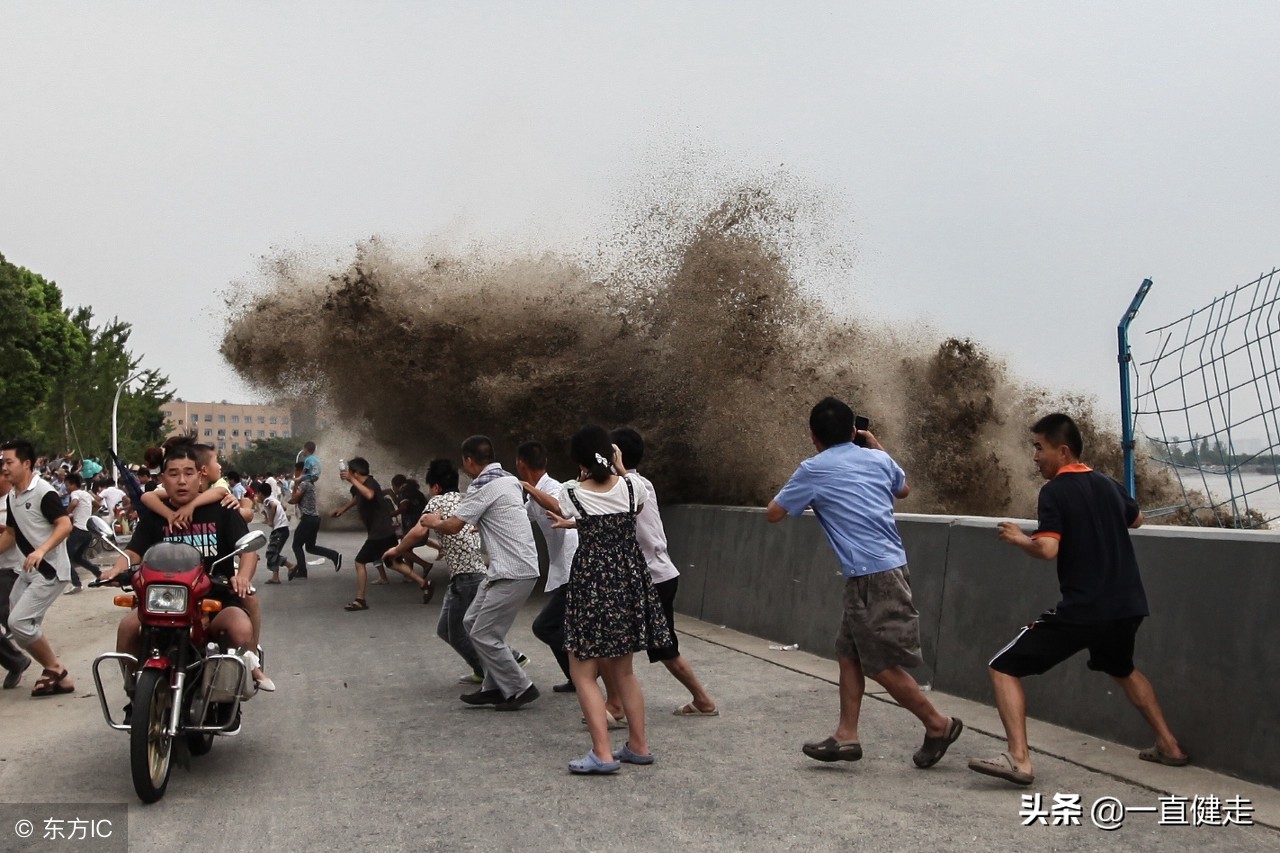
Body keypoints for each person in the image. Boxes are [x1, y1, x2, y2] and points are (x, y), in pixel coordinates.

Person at [970, 413, 1188, 786]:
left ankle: (1019, 760)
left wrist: (1019, 538)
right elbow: (1135, 520)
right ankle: (1169, 746)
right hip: (1127, 605)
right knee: (1121, 668)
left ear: (1063, 450)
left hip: (1085, 608)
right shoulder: (1107, 483)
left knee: (1002, 667)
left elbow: (1048, 549)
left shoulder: (1054, 491)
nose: (1035, 457)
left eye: (1040, 448)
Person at [767, 397, 962, 769]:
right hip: (885, 570)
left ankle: (939, 724)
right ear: (855, 431)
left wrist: (814, 495)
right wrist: (873, 445)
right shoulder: (878, 459)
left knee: (880, 665)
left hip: (871, 576)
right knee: (849, 653)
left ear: (813, 436)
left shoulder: (813, 468)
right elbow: (902, 489)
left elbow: (774, 513)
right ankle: (846, 736)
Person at [523, 425, 672, 774]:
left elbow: (575, 508)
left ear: (578, 460)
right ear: (612, 453)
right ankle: (638, 745)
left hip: (592, 582)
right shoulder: (635, 488)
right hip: (628, 580)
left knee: (584, 671)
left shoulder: (573, 492)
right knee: (624, 672)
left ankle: (602, 754)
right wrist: (620, 468)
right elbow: (618, 510)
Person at [99, 439, 267, 712]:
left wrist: (243, 577)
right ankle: (136, 689)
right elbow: (134, 551)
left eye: (188, 473)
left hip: (214, 600)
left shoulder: (223, 508)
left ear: (200, 475)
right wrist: (118, 567)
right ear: (162, 478)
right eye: (173, 474)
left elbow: (248, 551)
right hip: (163, 602)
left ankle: (230, 686)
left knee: (240, 627)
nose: (181, 481)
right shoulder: (154, 515)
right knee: (128, 628)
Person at [420, 436, 541, 711]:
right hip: (508, 568)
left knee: (485, 634)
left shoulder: (481, 487)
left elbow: (451, 526)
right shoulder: (508, 478)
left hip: (513, 571)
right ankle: (494, 686)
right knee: (471, 622)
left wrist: (431, 521)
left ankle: (520, 687)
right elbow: (500, 514)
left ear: (469, 461)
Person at [606, 426, 718, 717]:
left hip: (653, 578)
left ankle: (702, 700)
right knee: (625, 641)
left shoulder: (631, 486)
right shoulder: (640, 483)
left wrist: (616, 469)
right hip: (659, 575)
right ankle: (616, 703)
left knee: (660, 647)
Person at [0, 439, 76, 698]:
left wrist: (42, 550)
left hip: (51, 570)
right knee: (17, 620)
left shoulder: (44, 491)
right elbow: (10, 534)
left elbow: (65, 525)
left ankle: (55, 668)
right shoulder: (12, 496)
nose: (5, 468)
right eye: (3, 463)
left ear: (26, 463)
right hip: (30, 571)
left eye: (9, 462)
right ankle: (57, 676)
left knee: (18, 622)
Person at [519, 441, 580, 693]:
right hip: (563, 569)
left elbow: (557, 506)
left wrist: (527, 488)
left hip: (573, 568)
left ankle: (583, 670)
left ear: (521, 464)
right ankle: (577, 677)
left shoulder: (553, 487)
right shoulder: (534, 493)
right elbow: (520, 517)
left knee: (545, 626)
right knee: (559, 626)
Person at [332, 457, 428, 610]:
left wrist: (351, 480)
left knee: (359, 562)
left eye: (350, 471)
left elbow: (369, 494)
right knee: (393, 562)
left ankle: (360, 600)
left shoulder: (370, 483)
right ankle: (424, 583)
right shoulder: (362, 485)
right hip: (384, 530)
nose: (347, 473)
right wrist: (343, 508)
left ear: (356, 472)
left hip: (380, 532)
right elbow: (359, 497)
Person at [0, 466, 33, 689]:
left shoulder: (14, 502)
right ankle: (15, 660)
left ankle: (18, 660)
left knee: (14, 620)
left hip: (10, 570)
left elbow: (11, 536)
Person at [289, 460, 342, 577]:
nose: (295, 474)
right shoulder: (309, 483)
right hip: (314, 519)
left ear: (300, 471)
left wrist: (295, 484)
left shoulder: (304, 483)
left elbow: (294, 500)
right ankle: (334, 555)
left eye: (296, 471)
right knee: (310, 547)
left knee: (296, 545)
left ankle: (302, 572)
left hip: (308, 519)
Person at [64, 472, 101, 592]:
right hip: (87, 532)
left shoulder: (75, 493)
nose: (66, 488)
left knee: (65, 557)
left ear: (73, 484)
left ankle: (76, 584)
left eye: (67, 485)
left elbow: (74, 503)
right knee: (78, 558)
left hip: (78, 530)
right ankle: (98, 573)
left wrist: (64, 514)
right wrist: (87, 513)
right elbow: (97, 504)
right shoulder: (86, 494)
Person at [258, 482, 291, 585]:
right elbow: (282, 507)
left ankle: (290, 565)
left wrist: (271, 520)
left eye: (257, 494)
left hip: (279, 530)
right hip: (283, 529)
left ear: (261, 494)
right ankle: (275, 577)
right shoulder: (273, 498)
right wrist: (266, 514)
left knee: (271, 553)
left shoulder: (268, 500)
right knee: (274, 553)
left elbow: (274, 506)